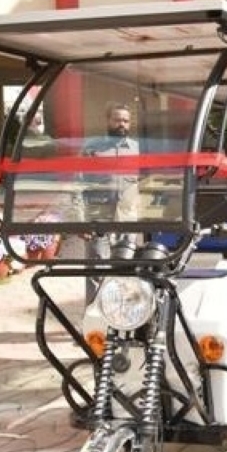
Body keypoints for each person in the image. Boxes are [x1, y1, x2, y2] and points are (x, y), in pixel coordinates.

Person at [82, 102, 140, 303]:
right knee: (96, 269)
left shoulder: (137, 150)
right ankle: (93, 319)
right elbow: (78, 185)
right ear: (108, 121)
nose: (121, 124)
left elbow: (145, 184)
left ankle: (123, 319)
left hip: (127, 219)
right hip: (99, 219)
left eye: (125, 120)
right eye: (117, 120)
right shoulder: (92, 148)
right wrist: (81, 220)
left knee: (126, 269)